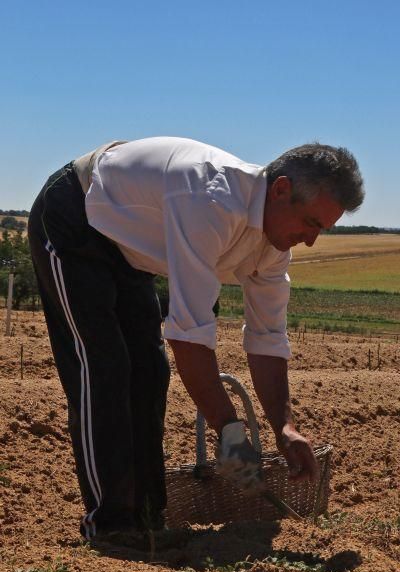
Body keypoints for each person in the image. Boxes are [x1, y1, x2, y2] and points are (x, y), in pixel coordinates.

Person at [28, 137, 364, 541]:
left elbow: (267, 339)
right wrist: (230, 432)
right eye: (311, 223)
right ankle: (111, 526)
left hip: (131, 251)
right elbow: (188, 338)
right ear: (280, 190)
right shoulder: (210, 201)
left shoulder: (274, 246)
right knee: (103, 366)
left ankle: (149, 518)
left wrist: (284, 427)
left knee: (150, 373)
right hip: (75, 218)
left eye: (322, 230)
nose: (311, 240)